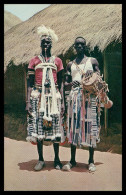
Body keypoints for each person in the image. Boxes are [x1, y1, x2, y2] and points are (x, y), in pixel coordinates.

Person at [63, 37, 113, 172]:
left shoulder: (93, 61)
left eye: (82, 44)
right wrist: (70, 84)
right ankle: (72, 160)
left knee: (91, 127)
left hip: (90, 98)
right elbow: (65, 83)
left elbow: (100, 79)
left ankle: (91, 161)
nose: (79, 46)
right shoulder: (70, 64)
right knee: (74, 126)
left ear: (85, 46)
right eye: (77, 44)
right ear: (74, 46)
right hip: (75, 98)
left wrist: (93, 74)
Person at [25, 25, 65, 171]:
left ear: (51, 44)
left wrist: (62, 104)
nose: (46, 44)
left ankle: (57, 159)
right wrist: (28, 101)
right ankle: (41, 159)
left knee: (55, 127)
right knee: (39, 127)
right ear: (40, 44)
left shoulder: (58, 61)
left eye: (48, 42)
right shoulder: (34, 61)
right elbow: (29, 83)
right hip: (38, 95)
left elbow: (60, 83)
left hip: (54, 97)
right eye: (44, 42)